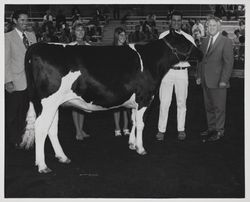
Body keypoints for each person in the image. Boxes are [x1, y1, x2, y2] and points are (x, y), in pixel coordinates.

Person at [156, 11, 196, 141]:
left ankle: (181, 129)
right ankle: (161, 130)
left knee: (181, 102)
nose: (176, 23)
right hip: (167, 72)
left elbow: (194, 55)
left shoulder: (188, 38)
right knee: (164, 102)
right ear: (170, 21)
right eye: (174, 20)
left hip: (182, 72)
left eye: (179, 20)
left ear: (182, 22)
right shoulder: (163, 36)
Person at [196, 16, 234, 142]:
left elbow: (229, 63)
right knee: (209, 107)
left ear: (218, 26)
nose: (210, 28)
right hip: (206, 80)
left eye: (213, 25)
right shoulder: (205, 40)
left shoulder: (226, 41)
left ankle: (219, 131)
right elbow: (201, 61)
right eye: (208, 25)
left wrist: (224, 80)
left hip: (219, 81)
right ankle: (211, 128)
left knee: (219, 108)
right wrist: (199, 76)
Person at [5, 10, 37, 149]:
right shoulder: (7, 37)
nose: (25, 23)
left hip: (30, 81)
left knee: (25, 112)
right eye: (22, 20)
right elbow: (5, 61)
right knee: (12, 113)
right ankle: (12, 139)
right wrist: (7, 81)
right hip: (15, 81)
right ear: (15, 21)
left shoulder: (31, 36)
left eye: (26, 20)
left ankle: (23, 137)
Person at [69, 23, 90, 140]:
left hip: (85, 79)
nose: (80, 32)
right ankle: (77, 131)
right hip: (74, 79)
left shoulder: (88, 46)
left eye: (82, 30)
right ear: (74, 32)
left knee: (83, 106)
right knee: (75, 105)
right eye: (78, 30)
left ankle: (81, 129)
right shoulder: (70, 46)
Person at [112, 27, 130, 136]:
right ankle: (117, 127)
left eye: (124, 35)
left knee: (126, 106)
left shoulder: (128, 49)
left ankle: (126, 126)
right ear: (116, 36)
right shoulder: (112, 49)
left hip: (127, 80)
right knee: (116, 106)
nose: (123, 37)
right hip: (116, 80)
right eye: (121, 35)